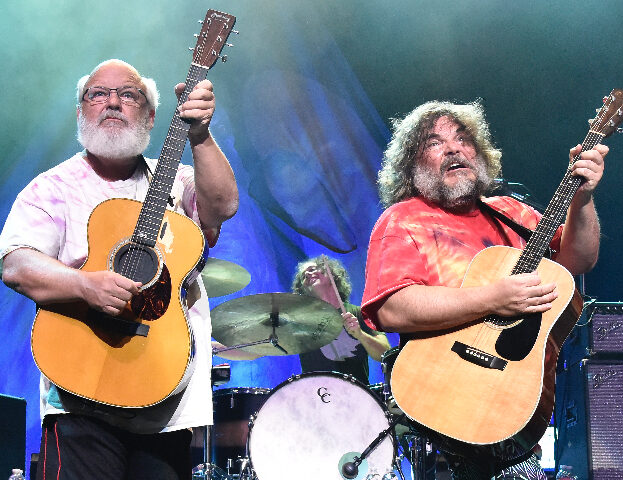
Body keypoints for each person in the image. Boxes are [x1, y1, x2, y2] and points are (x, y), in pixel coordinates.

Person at [0, 59, 238, 480]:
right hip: (79, 395)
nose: (112, 103)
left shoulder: (180, 181)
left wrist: (199, 135)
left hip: (166, 397)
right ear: (81, 112)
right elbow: (16, 263)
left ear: (150, 116)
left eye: (128, 95)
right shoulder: (51, 187)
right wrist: (83, 284)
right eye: (97, 94)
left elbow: (222, 207)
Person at [361, 100, 606, 479]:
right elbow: (393, 309)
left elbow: (578, 261)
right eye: (434, 142)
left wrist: (583, 198)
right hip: (438, 411)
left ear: (480, 152)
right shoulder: (403, 219)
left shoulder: (513, 211)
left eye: (463, 139)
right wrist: (493, 298)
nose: (453, 148)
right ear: (413, 165)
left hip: (513, 416)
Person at [291, 255, 390, 385]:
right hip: (317, 398)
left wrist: (360, 334)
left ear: (332, 274)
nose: (308, 274)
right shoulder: (302, 324)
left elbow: (384, 353)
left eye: (312, 269)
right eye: (303, 276)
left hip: (359, 395)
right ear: (303, 290)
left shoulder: (358, 313)